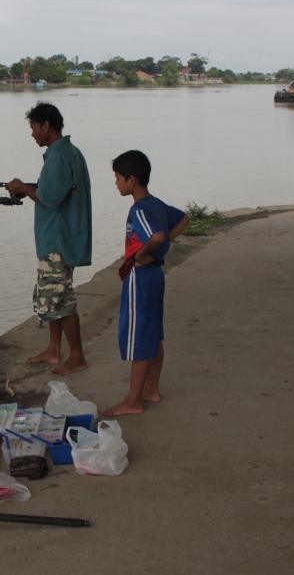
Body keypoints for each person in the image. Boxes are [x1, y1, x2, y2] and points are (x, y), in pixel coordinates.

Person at [6, 102, 92, 376]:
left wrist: (22, 187)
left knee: (61, 299)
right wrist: (29, 189)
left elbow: (49, 198)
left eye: (34, 128)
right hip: (60, 238)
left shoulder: (58, 157)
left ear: (46, 126)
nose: (32, 134)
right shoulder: (68, 152)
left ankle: (76, 356)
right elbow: (50, 190)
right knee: (54, 297)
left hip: (58, 241)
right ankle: (54, 350)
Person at [104, 150, 189, 416]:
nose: (116, 183)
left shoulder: (139, 209)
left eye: (118, 178)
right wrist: (163, 246)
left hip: (140, 277)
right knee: (153, 333)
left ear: (132, 180)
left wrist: (143, 253)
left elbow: (156, 235)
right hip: (155, 277)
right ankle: (152, 389)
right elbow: (184, 219)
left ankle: (133, 400)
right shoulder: (156, 203)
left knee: (139, 338)